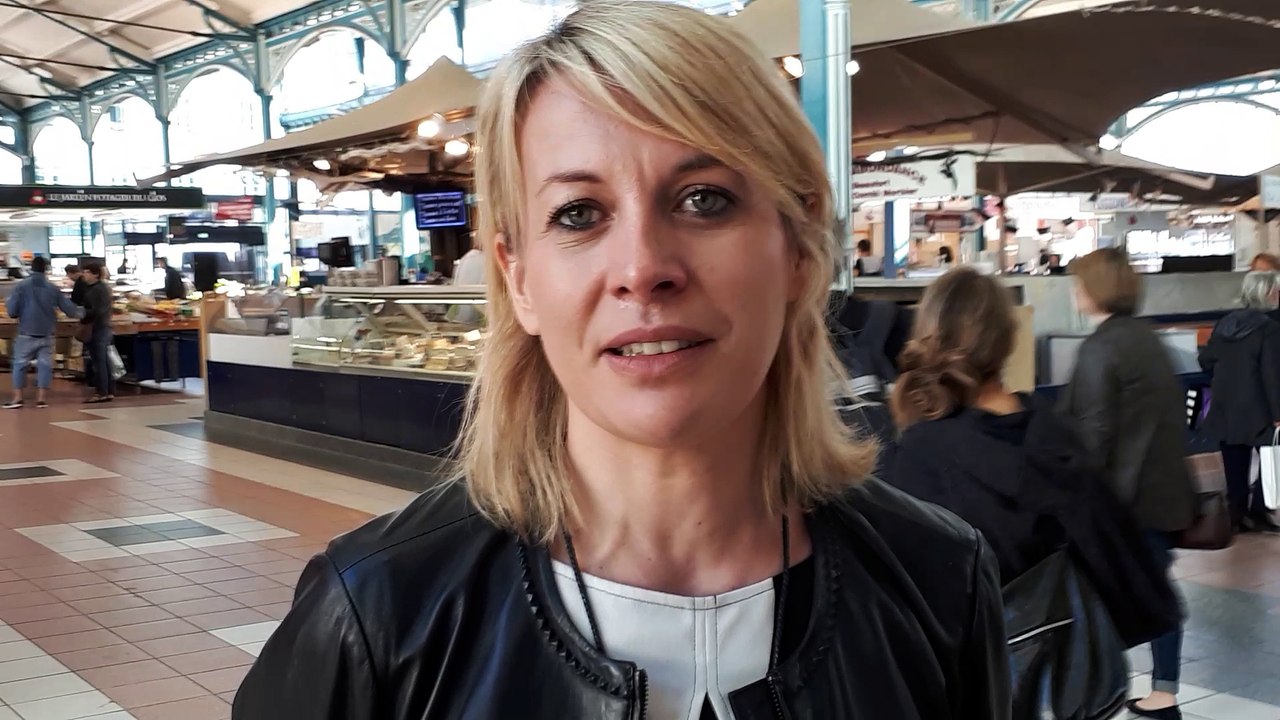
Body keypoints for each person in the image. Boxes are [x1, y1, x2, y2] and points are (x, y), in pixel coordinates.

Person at [231, 4, 1011, 719]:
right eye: (579, 214)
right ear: (520, 278)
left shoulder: (938, 583)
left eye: (704, 198)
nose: (642, 266)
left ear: (799, 248)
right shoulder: (377, 614)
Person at [885, 268, 1180, 718]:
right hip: (1058, 681)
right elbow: (1116, 560)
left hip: (959, 689)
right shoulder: (1053, 438)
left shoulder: (916, 455)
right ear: (1006, 340)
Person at [1058, 248, 1196, 719]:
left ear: (1093, 290)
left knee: (1109, 601)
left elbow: (1092, 434)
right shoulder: (1147, 339)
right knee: (1154, 589)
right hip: (1161, 494)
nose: (1074, 292)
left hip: (1123, 501)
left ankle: (1110, 693)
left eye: (1079, 283)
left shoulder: (1101, 347)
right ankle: (1164, 689)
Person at [1199, 271, 1280, 533]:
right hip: (1258, 408)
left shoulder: (1225, 323)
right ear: (1268, 293)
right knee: (1271, 458)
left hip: (1225, 404)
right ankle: (1258, 512)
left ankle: (1236, 515)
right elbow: (1272, 373)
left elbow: (1206, 360)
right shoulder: (1269, 329)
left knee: (1234, 462)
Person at [3, 256, 82, 409]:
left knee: (20, 364)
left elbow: (12, 311)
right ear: (45, 269)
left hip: (26, 332)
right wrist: (85, 312)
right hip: (47, 333)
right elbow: (70, 310)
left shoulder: (21, 286)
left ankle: (18, 398)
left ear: (31, 268)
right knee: (45, 365)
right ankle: (41, 399)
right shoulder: (53, 288)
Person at [79, 261, 115, 404]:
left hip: (96, 328)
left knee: (98, 361)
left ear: (94, 274)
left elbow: (95, 311)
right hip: (104, 326)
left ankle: (101, 392)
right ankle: (109, 390)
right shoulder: (103, 288)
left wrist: (81, 313)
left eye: (86, 272)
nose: (83, 275)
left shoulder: (95, 290)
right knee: (104, 361)